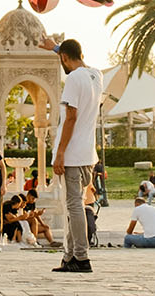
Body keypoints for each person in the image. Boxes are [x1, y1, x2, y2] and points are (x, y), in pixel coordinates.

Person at [49, 36, 102, 274]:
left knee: (74, 207)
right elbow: (74, 58)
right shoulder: (95, 75)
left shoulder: (72, 79)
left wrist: (60, 153)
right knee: (75, 205)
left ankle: (81, 257)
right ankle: (69, 256)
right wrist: (54, 47)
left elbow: (70, 117)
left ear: (64, 59)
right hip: (88, 155)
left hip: (72, 154)